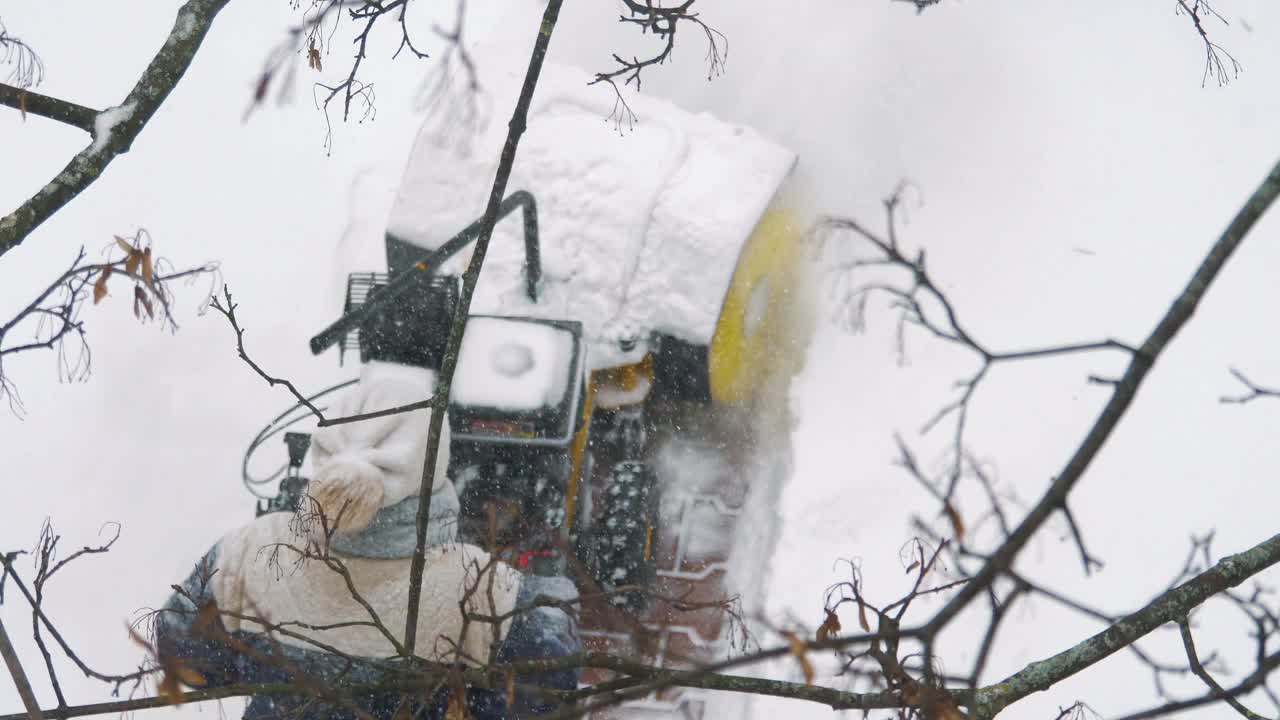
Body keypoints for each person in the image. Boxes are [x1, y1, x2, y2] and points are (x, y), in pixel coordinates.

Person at [153, 360, 581, 719]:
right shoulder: (485, 590)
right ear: (432, 469)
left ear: (324, 448)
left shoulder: (245, 553)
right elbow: (545, 695)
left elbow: (187, 663)